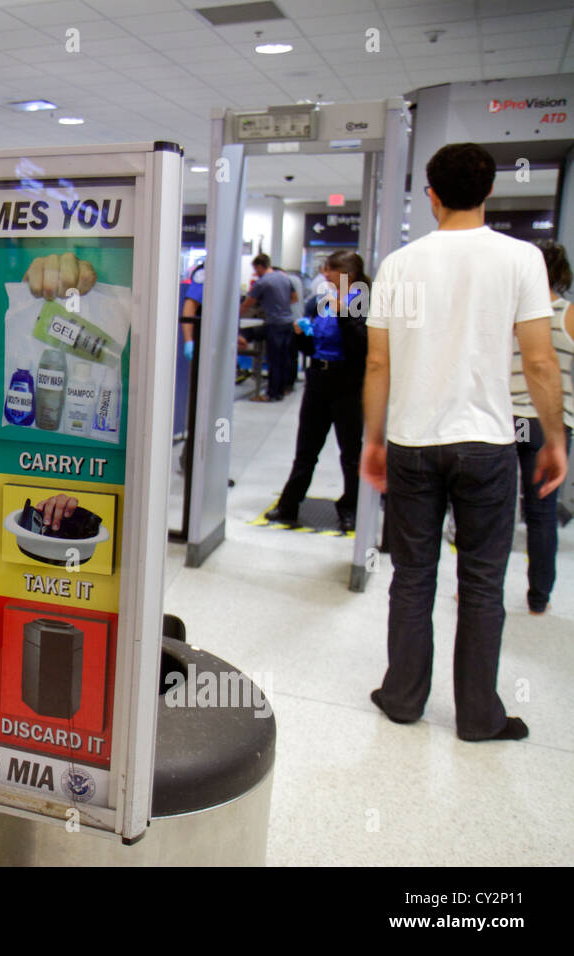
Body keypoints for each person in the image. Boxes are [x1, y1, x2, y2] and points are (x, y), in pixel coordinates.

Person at [361, 143, 568, 742]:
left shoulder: (399, 264)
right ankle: (479, 715)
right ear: (489, 193)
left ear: (431, 193)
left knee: (412, 575)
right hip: (488, 444)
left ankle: (402, 697)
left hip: (413, 442)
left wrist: (374, 439)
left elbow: (378, 363)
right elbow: (539, 361)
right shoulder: (522, 258)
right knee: (481, 581)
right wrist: (554, 438)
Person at [266, 250, 369, 532]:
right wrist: (303, 337)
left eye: (331, 270)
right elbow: (313, 346)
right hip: (318, 381)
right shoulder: (322, 301)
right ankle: (289, 503)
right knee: (306, 448)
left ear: (348, 272)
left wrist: (344, 314)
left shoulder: (362, 302)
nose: (325, 275)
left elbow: (361, 347)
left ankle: (350, 508)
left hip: (347, 384)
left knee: (350, 452)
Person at [509, 239, 574, 614]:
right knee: (542, 512)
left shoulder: (512, 314)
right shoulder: (567, 314)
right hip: (548, 424)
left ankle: (476, 586)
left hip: (508, 420)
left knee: (497, 511)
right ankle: (539, 597)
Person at [239, 253, 298, 402]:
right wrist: (281, 305)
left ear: (260, 266)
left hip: (275, 324)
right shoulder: (285, 278)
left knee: (274, 360)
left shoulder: (262, 283)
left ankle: (271, 394)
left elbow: (248, 303)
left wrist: (234, 316)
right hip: (288, 323)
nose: (255, 273)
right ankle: (280, 391)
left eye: (255, 269)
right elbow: (294, 298)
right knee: (284, 359)